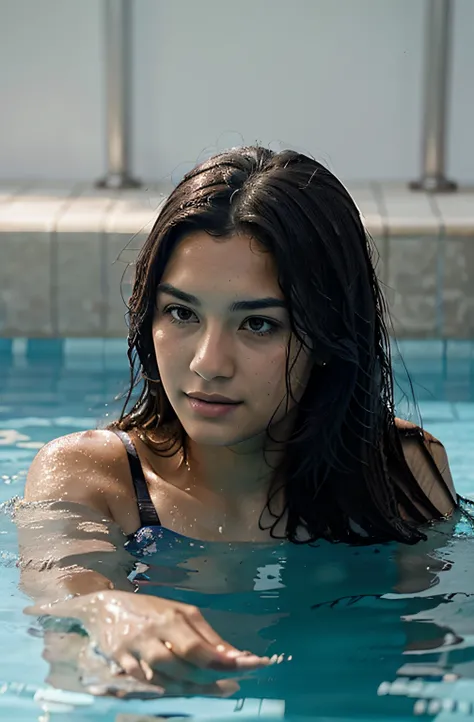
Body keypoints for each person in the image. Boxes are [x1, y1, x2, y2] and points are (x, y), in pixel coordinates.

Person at [20, 146, 459, 699]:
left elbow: (434, 653)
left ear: (327, 336)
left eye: (257, 324)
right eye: (181, 313)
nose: (208, 363)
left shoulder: (399, 474)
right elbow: (63, 616)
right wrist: (113, 612)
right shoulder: (93, 478)